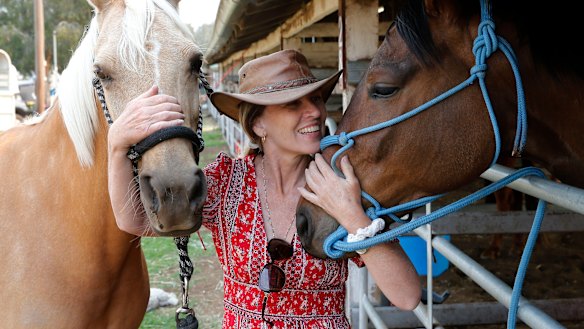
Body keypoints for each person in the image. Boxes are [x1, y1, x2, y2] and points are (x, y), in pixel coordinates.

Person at [108, 49, 420, 328]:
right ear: (258, 124)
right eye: (292, 104)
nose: (314, 111)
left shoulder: (339, 186)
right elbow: (134, 221)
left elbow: (406, 297)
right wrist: (117, 146)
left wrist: (354, 217)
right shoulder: (228, 181)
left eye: (315, 99)